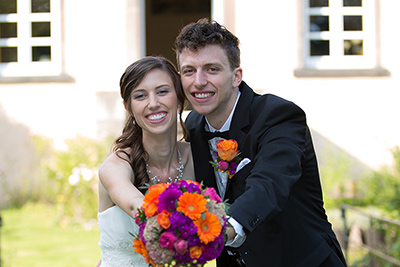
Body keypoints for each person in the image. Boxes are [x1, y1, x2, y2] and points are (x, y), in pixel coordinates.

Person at [175, 19, 347, 267]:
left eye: (212, 69)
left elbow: (269, 184)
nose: (199, 81)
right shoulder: (192, 125)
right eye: (189, 70)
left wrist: (224, 229)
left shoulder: (279, 116)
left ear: (236, 77)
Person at [97, 56, 194, 266]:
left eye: (162, 91)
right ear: (128, 107)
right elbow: (134, 205)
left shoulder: (196, 157)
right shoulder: (116, 166)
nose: (153, 103)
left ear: (179, 99)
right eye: (140, 96)